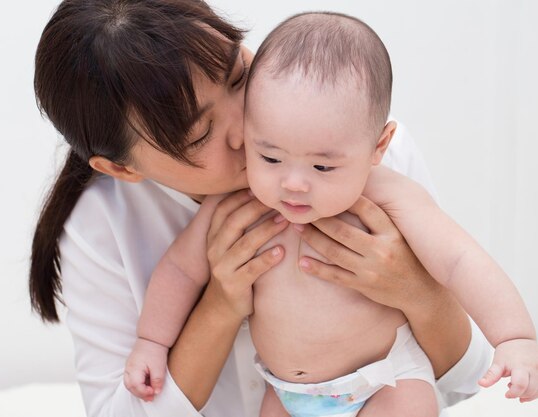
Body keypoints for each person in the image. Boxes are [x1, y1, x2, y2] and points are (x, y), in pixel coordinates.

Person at [29, 1, 495, 417]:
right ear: (120, 168)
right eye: (198, 135)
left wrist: (417, 292)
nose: (244, 126)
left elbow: (465, 383)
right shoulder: (99, 226)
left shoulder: (351, 153)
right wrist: (219, 306)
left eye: (237, 77)